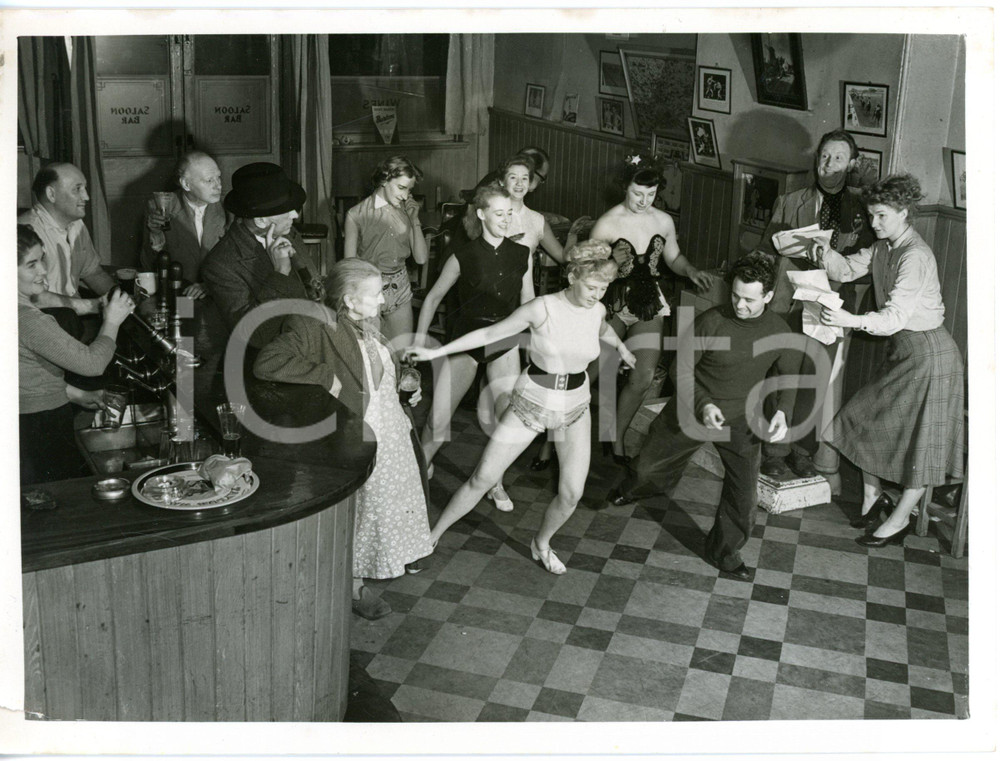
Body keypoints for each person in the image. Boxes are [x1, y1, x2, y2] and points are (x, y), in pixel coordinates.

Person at [406, 241, 634, 574]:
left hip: (575, 407)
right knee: (482, 478)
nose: (597, 295)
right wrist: (437, 352)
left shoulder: (596, 309)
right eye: (591, 287)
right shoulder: (541, 308)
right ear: (572, 277)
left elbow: (604, 328)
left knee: (571, 493)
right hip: (532, 403)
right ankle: (432, 537)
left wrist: (623, 349)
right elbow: (490, 333)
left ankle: (541, 543)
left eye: (603, 288)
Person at [254, 258, 434, 619]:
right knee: (360, 514)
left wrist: (403, 387)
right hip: (359, 431)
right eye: (376, 293)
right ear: (350, 300)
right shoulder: (312, 325)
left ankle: (374, 567)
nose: (383, 300)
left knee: (383, 510)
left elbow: (375, 370)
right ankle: (352, 587)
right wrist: (326, 377)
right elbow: (268, 362)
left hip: (392, 430)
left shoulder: (369, 323)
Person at [607, 253, 799, 582]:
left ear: (768, 296)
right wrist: (704, 405)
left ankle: (724, 551)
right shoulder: (711, 322)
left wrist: (783, 411)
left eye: (750, 300)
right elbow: (680, 371)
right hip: (693, 408)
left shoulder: (779, 330)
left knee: (744, 498)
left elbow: (788, 376)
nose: (739, 305)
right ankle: (640, 487)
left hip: (742, 420)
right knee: (647, 469)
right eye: (735, 295)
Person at [807, 174, 964, 547]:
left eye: (881, 216)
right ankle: (872, 495)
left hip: (931, 356)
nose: (873, 223)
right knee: (859, 418)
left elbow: (893, 318)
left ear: (904, 212)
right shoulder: (883, 247)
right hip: (904, 351)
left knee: (922, 444)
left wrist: (849, 320)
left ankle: (899, 520)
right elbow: (846, 270)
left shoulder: (915, 255)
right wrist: (823, 252)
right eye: (871, 215)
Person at [755, 128, 875, 479]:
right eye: (824, 156)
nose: (829, 164)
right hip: (788, 300)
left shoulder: (863, 210)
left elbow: (868, 264)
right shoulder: (790, 201)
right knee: (784, 373)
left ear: (851, 164)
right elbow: (765, 251)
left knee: (816, 375)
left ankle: (801, 450)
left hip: (831, 304)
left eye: (838, 157)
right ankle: (774, 450)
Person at [413, 183, 534, 513]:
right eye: (498, 214)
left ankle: (494, 481)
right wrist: (420, 341)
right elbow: (433, 299)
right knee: (437, 421)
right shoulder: (462, 255)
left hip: (504, 339)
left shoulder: (521, 254)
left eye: (509, 213)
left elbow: (529, 302)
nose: (506, 220)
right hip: (466, 338)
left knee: (504, 418)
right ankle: (417, 471)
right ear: (481, 215)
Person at [588, 162, 714, 464]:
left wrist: (691, 270)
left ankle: (616, 437)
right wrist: (610, 261)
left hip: (648, 302)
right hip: (612, 300)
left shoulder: (663, 220)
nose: (644, 201)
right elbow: (587, 272)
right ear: (625, 188)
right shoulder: (606, 224)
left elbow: (673, 257)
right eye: (637, 193)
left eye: (651, 194)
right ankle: (553, 438)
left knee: (643, 377)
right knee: (591, 371)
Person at [18, 224, 135, 483]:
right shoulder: (28, 320)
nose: (42, 271)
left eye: (42, 260)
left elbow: (25, 378)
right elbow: (92, 364)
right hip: (40, 424)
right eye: (31, 265)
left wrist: (77, 394)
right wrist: (112, 321)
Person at [202, 162, 323, 352]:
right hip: (273, 359)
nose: (295, 214)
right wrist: (280, 273)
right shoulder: (221, 264)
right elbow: (255, 335)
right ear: (260, 221)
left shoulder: (290, 234)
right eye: (286, 209)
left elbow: (312, 292)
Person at [344, 156, 429, 343]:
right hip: (368, 287)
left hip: (400, 287)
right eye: (401, 187)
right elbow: (350, 267)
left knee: (401, 352)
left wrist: (414, 219)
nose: (405, 196)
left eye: (409, 190)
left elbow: (421, 258)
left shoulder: (407, 210)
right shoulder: (355, 214)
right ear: (384, 180)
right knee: (372, 353)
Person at [18, 162, 116, 317]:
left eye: (85, 188)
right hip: (41, 320)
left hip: (72, 317)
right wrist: (95, 306)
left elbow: (93, 273)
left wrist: (121, 297)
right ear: (51, 194)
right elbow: (32, 297)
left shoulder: (76, 224)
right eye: (77, 189)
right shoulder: (24, 233)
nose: (86, 197)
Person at [141, 150, 227, 298]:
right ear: (186, 184)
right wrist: (155, 234)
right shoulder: (161, 207)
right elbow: (149, 265)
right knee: (184, 312)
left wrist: (209, 285)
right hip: (180, 294)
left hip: (219, 293)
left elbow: (237, 262)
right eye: (209, 180)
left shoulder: (228, 208)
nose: (218, 185)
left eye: (218, 177)